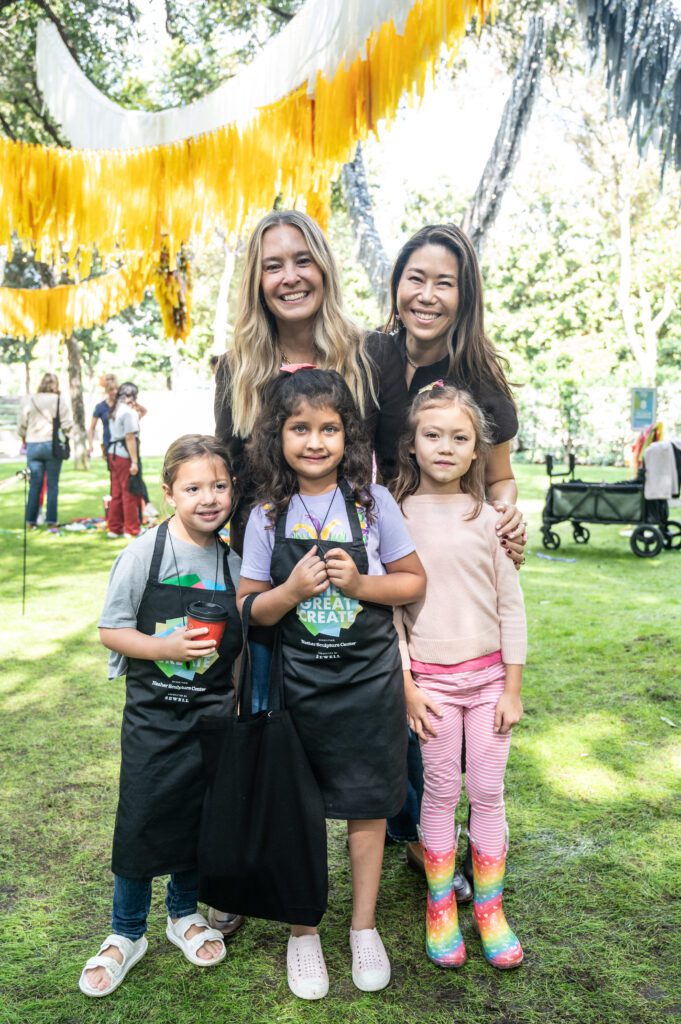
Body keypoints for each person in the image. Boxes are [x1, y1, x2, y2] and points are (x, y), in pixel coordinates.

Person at [237, 368, 425, 1000]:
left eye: (329, 428)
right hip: (302, 691)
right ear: (278, 436)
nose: (315, 441)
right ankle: (303, 931)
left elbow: (411, 581)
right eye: (300, 428)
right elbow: (249, 608)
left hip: (369, 687)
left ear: (349, 436)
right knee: (302, 809)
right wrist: (289, 592)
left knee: (369, 806)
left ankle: (364, 927)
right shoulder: (266, 515)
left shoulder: (376, 504)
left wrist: (361, 586)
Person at [383, 223, 527, 878]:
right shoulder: (369, 358)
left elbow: (497, 476)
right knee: (392, 688)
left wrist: (505, 518)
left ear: (463, 295)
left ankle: (427, 838)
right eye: (416, 277)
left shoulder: (480, 384)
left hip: (451, 555)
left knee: (439, 710)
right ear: (396, 284)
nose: (427, 294)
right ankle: (404, 826)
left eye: (444, 282)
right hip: (377, 548)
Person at [79, 435, 243, 998]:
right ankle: (126, 931)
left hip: (213, 718)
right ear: (169, 492)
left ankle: (182, 916)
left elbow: (242, 645)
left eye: (219, 486)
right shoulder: (142, 555)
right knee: (143, 815)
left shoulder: (234, 561)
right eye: (193, 487)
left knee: (198, 816)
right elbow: (111, 628)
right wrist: (165, 649)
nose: (208, 498)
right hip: (153, 717)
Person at [392, 383, 525, 970]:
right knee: (441, 793)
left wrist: (513, 687)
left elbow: (510, 606)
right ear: (412, 444)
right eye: (433, 435)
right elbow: (390, 617)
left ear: (477, 452)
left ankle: (490, 908)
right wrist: (408, 687)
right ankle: (441, 904)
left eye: (460, 438)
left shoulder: (488, 518)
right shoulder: (394, 519)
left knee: (489, 794)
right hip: (433, 690)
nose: (445, 447)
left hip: (490, 684)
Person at [214, 209, 405, 555]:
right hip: (265, 568)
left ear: (323, 269)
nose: (290, 277)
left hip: (355, 564)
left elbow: (399, 472)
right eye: (273, 266)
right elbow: (229, 476)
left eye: (303, 261)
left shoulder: (374, 355)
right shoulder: (237, 368)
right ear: (257, 281)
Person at [19, 372, 73, 528]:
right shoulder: (58, 400)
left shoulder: (30, 399)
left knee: (34, 485)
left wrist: (24, 438)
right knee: (52, 485)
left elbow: (22, 423)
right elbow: (67, 424)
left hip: (33, 445)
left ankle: (31, 521)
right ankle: (51, 521)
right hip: (52, 445)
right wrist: (69, 439)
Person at [107, 381, 143, 539]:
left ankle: (114, 528)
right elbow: (130, 437)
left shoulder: (115, 409)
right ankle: (132, 529)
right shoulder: (128, 412)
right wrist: (134, 461)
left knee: (116, 493)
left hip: (112, 453)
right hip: (123, 455)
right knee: (129, 492)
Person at [87, 374, 118, 458]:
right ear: (107, 391)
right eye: (111, 389)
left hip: (123, 443)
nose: (115, 392)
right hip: (108, 442)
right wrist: (90, 445)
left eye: (117, 389)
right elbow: (92, 428)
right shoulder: (100, 407)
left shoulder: (123, 405)